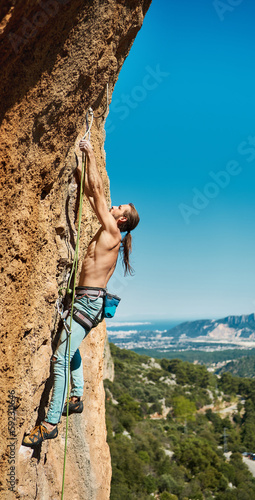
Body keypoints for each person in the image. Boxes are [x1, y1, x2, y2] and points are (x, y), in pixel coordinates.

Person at [22, 140, 140, 447]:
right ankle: (75, 396)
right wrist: (81, 170)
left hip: (87, 302)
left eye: (119, 208)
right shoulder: (109, 231)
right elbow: (90, 194)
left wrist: (89, 154)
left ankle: (49, 424)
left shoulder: (113, 232)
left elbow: (98, 193)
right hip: (86, 300)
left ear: (122, 219)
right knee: (69, 347)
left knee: (60, 355)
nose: (114, 207)